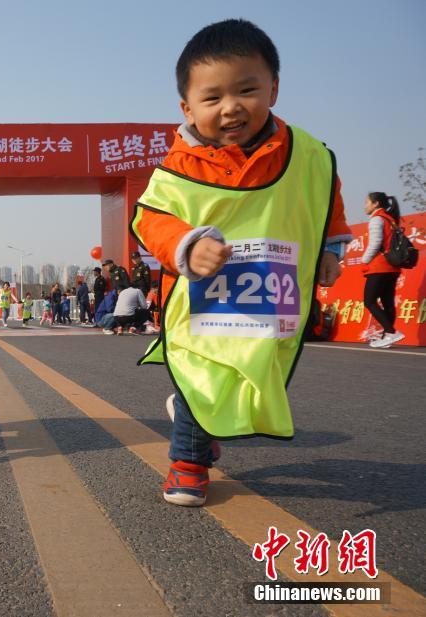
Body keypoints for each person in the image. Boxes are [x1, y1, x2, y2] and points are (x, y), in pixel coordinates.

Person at [131, 19, 351, 507]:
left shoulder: (310, 156)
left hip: (269, 301)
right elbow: (150, 220)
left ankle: (199, 427)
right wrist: (187, 245)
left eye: (246, 90)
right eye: (212, 98)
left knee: (244, 379)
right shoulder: (178, 168)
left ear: (273, 88)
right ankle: (188, 463)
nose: (230, 107)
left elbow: (323, 205)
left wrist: (330, 252)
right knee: (203, 377)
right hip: (201, 303)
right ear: (188, 108)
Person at [361, 192, 405, 348]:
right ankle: (387, 336)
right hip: (393, 267)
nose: (364, 206)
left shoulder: (377, 219)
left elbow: (375, 243)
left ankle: (391, 332)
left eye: (367, 203)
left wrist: (364, 261)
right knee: (388, 303)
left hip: (379, 266)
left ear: (376, 204)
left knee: (369, 301)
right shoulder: (390, 219)